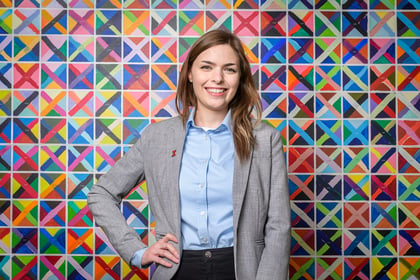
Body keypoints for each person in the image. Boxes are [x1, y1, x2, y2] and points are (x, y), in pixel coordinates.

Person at [87, 29, 291, 280]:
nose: (217, 78)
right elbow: (102, 193)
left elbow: (278, 225)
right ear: (190, 74)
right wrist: (137, 251)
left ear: (240, 78)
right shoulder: (156, 137)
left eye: (229, 69)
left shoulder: (264, 138)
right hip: (176, 271)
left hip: (244, 271)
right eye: (207, 67)